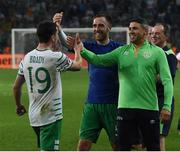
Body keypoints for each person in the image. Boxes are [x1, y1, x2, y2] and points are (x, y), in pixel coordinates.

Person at [73, 18, 173, 151]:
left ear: (144, 32)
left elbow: (167, 80)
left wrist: (166, 106)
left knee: (153, 148)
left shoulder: (157, 52)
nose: (131, 31)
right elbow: (98, 60)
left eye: (135, 28)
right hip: (125, 109)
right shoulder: (121, 51)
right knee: (122, 148)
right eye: (130, 28)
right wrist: (82, 50)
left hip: (149, 109)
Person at [53, 12, 123, 150]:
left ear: (109, 27)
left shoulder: (119, 48)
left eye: (101, 25)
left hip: (113, 105)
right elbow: (68, 43)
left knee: (118, 145)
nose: (97, 28)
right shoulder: (89, 46)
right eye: (94, 25)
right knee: (83, 145)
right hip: (91, 104)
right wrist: (59, 28)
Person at [13, 20, 82, 151]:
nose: (57, 37)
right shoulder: (55, 57)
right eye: (56, 34)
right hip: (51, 116)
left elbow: (16, 87)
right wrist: (77, 49)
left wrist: (18, 105)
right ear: (52, 37)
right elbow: (78, 65)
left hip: (34, 116)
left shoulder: (26, 58)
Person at [151, 23, 177, 151]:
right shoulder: (152, 52)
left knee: (159, 138)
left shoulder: (169, 55)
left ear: (165, 36)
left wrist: (145, 78)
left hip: (162, 102)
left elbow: (166, 78)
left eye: (157, 33)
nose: (153, 36)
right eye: (152, 33)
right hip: (150, 100)